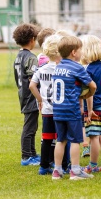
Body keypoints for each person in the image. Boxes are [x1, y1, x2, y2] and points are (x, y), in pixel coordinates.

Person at [51, 35, 97, 180]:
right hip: (72, 109)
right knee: (75, 140)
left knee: (60, 140)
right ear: (73, 52)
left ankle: (57, 171)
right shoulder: (77, 67)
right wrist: (88, 94)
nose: (82, 53)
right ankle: (75, 171)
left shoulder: (58, 67)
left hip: (58, 110)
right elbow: (93, 85)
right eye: (80, 50)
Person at [29, 35, 61, 175]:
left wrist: (40, 99)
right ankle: (62, 165)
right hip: (60, 109)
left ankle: (43, 166)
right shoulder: (61, 69)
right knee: (61, 138)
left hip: (47, 109)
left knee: (47, 138)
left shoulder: (41, 69)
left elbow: (32, 85)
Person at [80, 35, 101, 173]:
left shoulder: (88, 70)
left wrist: (89, 110)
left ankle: (92, 165)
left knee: (93, 137)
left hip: (94, 108)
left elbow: (89, 94)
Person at [13, 23, 41, 166]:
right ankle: (26, 157)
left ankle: (33, 154)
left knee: (32, 125)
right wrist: (40, 97)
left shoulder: (18, 56)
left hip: (23, 95)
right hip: (31, 96)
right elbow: (33, 80)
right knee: (29, 127)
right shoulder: (31, 57)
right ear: (32, 39)